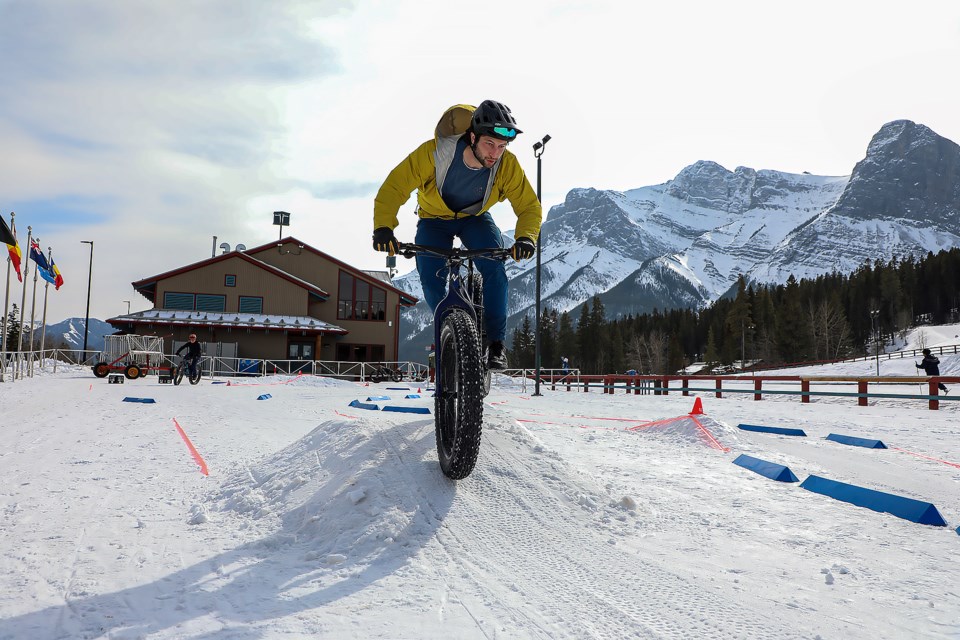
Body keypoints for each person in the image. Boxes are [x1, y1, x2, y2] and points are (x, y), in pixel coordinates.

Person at [372, 100, 542, 370]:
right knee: (430, 277)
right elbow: (394, 187)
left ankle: (496, 344)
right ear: (472, 137)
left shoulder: (506, 165)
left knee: (495, 268)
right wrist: (383, 228)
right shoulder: (435, 153)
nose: (495, 153)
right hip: (433, 221)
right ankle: (446, 332)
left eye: (502, 146)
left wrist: (525, 238)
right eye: (490, 143)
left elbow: (529, 206)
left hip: (475, 219)